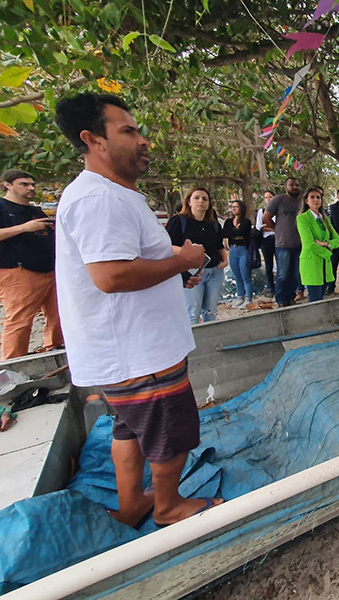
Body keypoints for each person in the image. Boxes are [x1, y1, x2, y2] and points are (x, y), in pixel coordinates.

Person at [54, 92, 222, 527]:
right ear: (94, 140)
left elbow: (134, 256)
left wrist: (174, 264)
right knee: (170, 429)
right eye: (128, 131)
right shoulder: (98, 199)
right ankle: (168, 506)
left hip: (132, 348)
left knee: (128, 427)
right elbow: (111, 276)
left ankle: (132, 503)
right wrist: (182, 261)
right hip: (137, 351)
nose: (143, 140)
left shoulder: (115, 193)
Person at [0, 169, 64, 359]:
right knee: (20, 320)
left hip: (50, 270)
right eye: (24, 184)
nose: (31, 188)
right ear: (7, 185)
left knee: (58, 314)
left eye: (32, 185)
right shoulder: (2, 208)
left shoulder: (35, 210)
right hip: (19, 271)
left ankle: (54, 349)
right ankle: (14, 363)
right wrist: (23, 228)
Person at [165, 187, 228, 323]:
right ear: (189, 201)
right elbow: (166, 246)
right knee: (193, 311)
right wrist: (185, 252)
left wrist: (224, 259)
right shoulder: (178, 221)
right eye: (197, 198)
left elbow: (218, 245)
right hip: (192, 272)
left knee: (210, 311)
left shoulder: (213, 223)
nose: (201, 201)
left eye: (205, 199)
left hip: (215, 271)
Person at [263, 178, 305, 307]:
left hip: (299, 244)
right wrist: (277, 229)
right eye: (291, 185)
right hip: (283, 244)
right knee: (282, 273)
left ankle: (290, 297)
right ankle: (280, 299)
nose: (295, 187)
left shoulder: (302, 202)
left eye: (297, 185)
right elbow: (266, 217)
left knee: (295, 274)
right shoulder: (278, 200)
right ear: (285, 187)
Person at [297, 187, 339, 302]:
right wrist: (327, 253)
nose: (316, 200)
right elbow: (309, 244)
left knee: (321, 299)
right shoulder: (302, 218)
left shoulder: (325, 219)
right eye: (312, 197)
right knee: (314, 300)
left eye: (318, 197)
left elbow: (337, 240)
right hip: (311, 263)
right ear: (306, 201)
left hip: (324, 265)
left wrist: (326, 244)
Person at [222, 199, 254, 308]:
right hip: (233, 250)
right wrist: (234, 231)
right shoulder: (228, 222)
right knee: (237, 275)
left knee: (246, 275)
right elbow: (225, 233)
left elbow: (242, 232)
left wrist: (234, 232)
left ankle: (249, 298)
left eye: (236, 206)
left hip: (243, 249)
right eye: (232, 206)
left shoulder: (246, 221)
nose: (234, 208)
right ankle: (240, 297)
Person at [255, 190, 276, 296]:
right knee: (269, 265)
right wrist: (272, 228)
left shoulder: (278, 210)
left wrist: (269, 227)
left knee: (281, 265)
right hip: (266, 241)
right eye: (266, 197)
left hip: (278, 240)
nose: (268, 199)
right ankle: (271, 288)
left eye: (270, 197)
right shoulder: (261, 211)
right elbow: (259, 227)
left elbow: (280, 227)